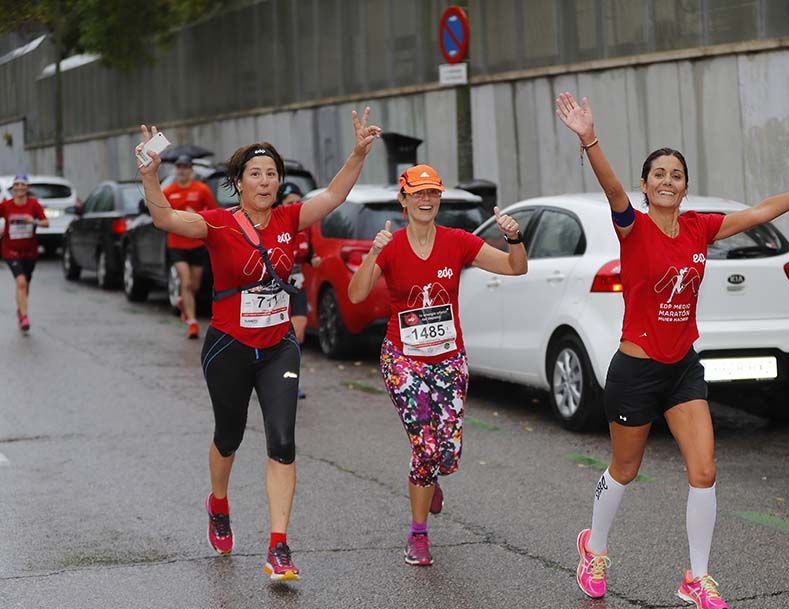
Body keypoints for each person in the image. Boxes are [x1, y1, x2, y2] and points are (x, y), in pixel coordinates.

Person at [555, 91, 789, 609]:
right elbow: (610, 186)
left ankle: (697, 577)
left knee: (704, 471)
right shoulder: (632, 227)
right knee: (625, 469)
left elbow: (759, 213)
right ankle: (593, 549)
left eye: (675, 174)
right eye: (657, 173)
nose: (666, 180)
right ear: (645, 185)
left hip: (682, 369)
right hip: (635, 370)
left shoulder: (700, 227)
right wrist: (589, 138)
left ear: (685, 186)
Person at [136, 109, 381, 581]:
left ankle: (278, 547)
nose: (265, 181)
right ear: (240, 182)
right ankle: (219, 504)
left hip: (278, 348)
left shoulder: (292, 217)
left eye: (272, 174)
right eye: (256, 174)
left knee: (283, 442)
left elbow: (333, 194)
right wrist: (151, 176)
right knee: (228, 437)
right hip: (228, 346)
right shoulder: (218, 224)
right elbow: (165, 218)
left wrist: (357, 153)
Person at [347, 165, 527, 566]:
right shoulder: (391, 246)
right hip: (403, 359)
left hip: (449, 358)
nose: (425, 200)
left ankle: (430, 478)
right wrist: (373, 252)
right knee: (424, 447)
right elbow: (356, 295)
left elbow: (516, 267)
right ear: (404, 199)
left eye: (432, 193)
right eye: (418, 194)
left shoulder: (458, 242)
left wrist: (514, 237)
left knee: (446, 452)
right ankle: (418, 534)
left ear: (439, 199)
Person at [162, 154, 217, 339]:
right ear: (176, 170)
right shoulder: (169, 191)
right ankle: (192, 323)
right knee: (184, 281)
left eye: (185, 167)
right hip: (176, 243)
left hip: (196, 243)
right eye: (179, 167)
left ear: (191, 170)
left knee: (195, 284)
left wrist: (198, 214)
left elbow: (213, 213)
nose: (182, 170)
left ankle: (183, 302)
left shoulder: (201, 189)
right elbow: (164, 217)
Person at [275, 182, 321, 399]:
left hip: (297, 286)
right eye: (290, 202)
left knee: (298, 334)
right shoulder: (274, 225)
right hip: (275, 289)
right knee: (277, 337)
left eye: (298, 202)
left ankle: (291, 380)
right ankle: (269, 376)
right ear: (280, 204)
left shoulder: (306, 227)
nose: (295, 206)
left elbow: (308, 254)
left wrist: (313, 259)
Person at [1, 173, 48, 332]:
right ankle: (24, 316)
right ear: (13, 188)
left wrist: (33, 221)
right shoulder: (6, 205)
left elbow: (46, 223)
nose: (19, 187)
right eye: (17, 185)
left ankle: (21, 309)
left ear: (27, 188)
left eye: (23, 185)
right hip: (10, 250)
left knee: (25, 285)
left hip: (30, 252)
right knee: (20, 282)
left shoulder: (34, 205)